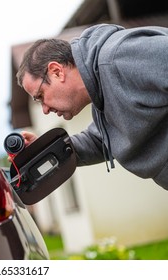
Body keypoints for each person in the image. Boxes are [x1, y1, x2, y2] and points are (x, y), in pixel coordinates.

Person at [15, 23, 168, 189]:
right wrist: (43, 149)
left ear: (57, 71)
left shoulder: (119, 57)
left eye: (41, 96)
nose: (45, 109)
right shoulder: (102, 94)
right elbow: (100, 140)